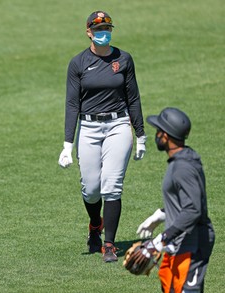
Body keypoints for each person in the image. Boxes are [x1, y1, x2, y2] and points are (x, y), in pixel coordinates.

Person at [58, 10, 147, 262]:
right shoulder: (78, 63)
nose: (103, 33)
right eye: (98, 30)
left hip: (118, 125)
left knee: (111, 185)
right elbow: (72, 104)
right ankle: (95, 224)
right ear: (88, 32)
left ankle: (108, 244)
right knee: (91, 189)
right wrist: (67, 144)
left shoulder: (124, 59)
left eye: (107, 29)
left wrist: (140, 135)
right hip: (88, 128)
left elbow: (134, 98)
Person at [137, 107, 215, 293]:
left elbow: (193, 209)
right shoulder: (182, 159)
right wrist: (162, 215)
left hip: (193, 243)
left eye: (158, 131)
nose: (156, 135)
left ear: (165, 136)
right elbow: (187, 201)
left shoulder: (183, 167)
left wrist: (162, 239)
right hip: (179, 242)